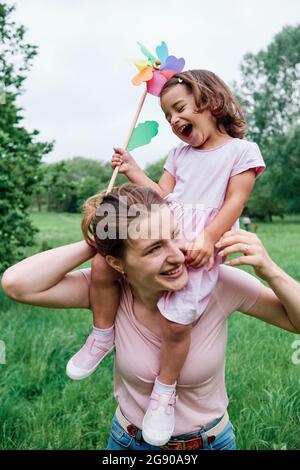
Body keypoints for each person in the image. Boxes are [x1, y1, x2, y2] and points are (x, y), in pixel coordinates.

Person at [2, 184, 300, 451]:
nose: (177, 255)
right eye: (154, 248)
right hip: (129, 442)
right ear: (117, 264)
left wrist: (271, 271)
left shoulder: (216, 285)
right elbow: (17, 284)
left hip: (210, 444)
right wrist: (100, 238)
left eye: (173, 235)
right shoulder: (109, 291)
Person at [77, 69, 266, 444]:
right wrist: (133, 169)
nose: (174, 120)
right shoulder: (179, 154)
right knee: (101, 263)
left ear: (210, 102)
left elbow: (235, 201)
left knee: (177, 322)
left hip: (198, 250)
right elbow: (161, 197)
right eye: (167, 116)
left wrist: (209, 239)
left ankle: (164, 392)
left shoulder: (242, 152)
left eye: (179, 108)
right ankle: (101, 336)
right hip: (166, 234)